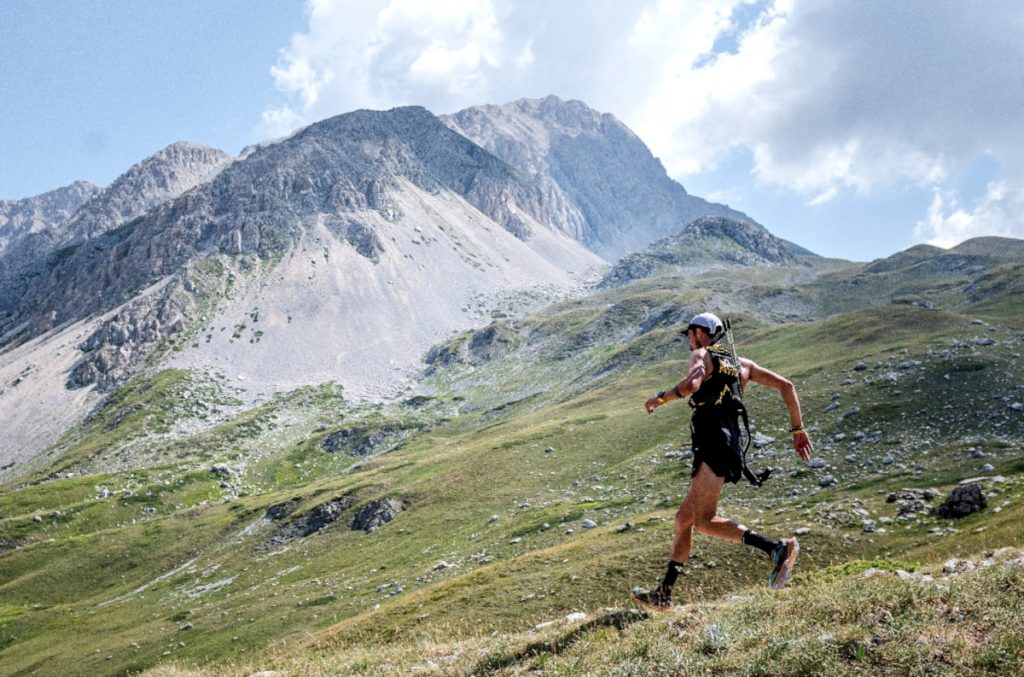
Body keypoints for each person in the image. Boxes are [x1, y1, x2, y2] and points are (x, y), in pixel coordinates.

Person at [632, 312, 813, 609]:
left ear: (700, 333)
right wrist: (798, 429)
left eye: (689, 334)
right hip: (729, 443)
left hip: (712, 440)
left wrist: (660, 398)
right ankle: (664, 593)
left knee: (703, 520)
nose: (688, 341)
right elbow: (787, 386)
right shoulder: (742, 365)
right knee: (683, 519)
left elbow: (692, 385)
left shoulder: (702, 354)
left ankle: (776, 548)